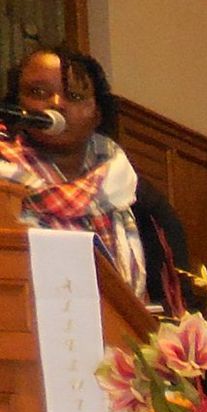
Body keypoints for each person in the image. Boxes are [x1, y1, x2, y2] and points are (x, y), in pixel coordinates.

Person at [2, 45, 189, 312]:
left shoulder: (137, 198)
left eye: (74, 95)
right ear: (16, 105)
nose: (56, 104)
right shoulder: (3, 184)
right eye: (38, 93)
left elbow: (176, 298)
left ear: (98, 113)